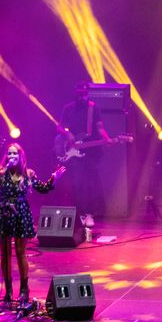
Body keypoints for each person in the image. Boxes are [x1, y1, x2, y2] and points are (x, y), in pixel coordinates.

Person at [0, 143, 64, 305]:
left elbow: (43, 188)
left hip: (21, 214)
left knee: (21, 252)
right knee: (5, 254)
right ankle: (8, 291)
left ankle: (24, 290)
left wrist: (54, 179)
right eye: (9, 154)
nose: (11, 156)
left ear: (21, 156)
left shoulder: (28, 174)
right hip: (4, 214)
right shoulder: (0, 174)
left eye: (15, 154)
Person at [55, 91, 113, 227]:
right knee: (77, 183)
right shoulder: (69, 108)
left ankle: (90, 214)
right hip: (74, 152)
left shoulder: (93, 108)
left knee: (92, 183)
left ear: (88, 94)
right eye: (79, 94)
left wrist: (107, 138)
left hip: (92, 152)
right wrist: (68, 133)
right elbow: (60, 127)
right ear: (75, 94)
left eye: (84, 94)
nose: (82, 97)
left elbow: (100, 128)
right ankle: (81, 214)